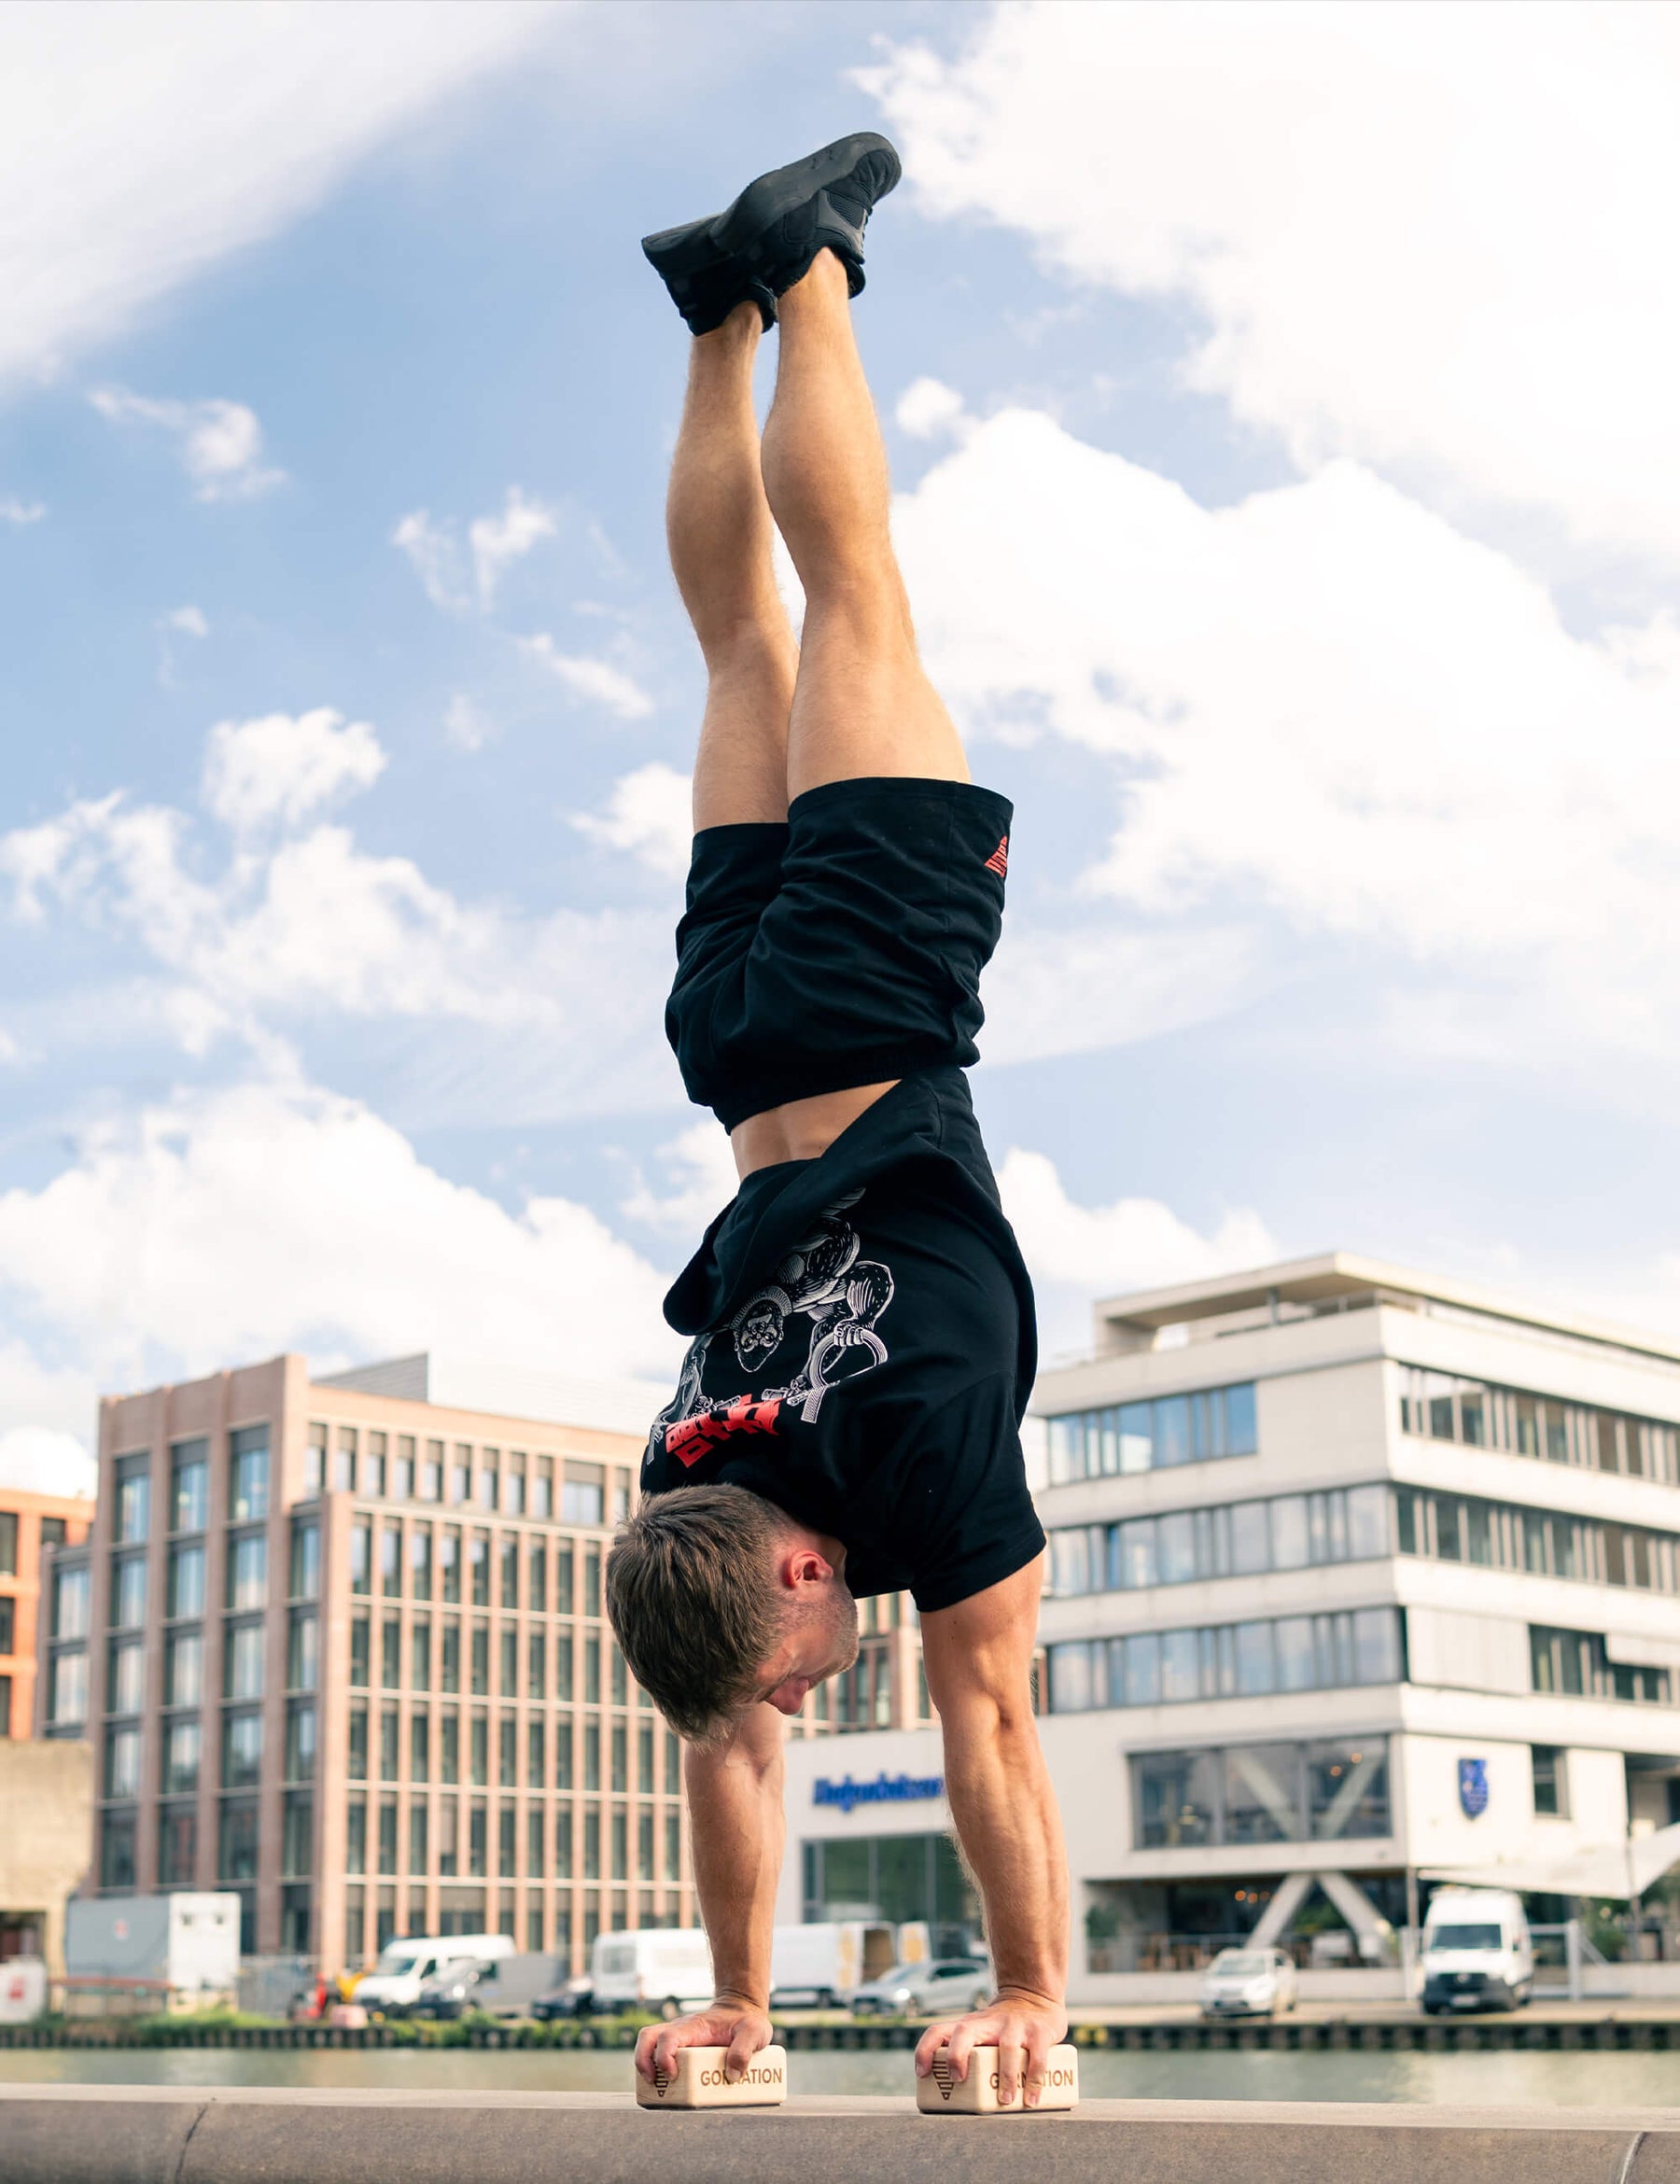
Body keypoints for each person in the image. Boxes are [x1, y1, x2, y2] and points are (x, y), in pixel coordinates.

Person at [608, 133, 1069, 2110]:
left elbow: (995, 1724)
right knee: (737, 654)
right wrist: (745, 2009)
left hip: (876, 1000)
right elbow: (728, 1731)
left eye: (801, 1664)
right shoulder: (694, 1476)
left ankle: (804, 276)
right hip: (731, 1046)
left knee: (848, 590)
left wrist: (1032, 1994)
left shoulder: (915, 1457)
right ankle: (715, 318)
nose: (808, 1692)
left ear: (802, 1577)